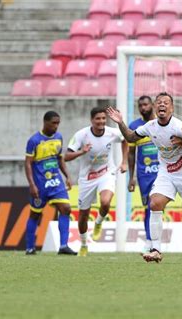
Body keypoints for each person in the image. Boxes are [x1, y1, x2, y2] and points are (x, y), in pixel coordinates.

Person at [106, 92, 182, 263]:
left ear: (172, 108)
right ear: (155, 107)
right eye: (159, 102)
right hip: (166, 172)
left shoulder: (180, 127)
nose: (162, 105)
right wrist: (121, 123)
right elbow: (131, 137)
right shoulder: (150, 126)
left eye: (166, 102)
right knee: (154, 203)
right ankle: (156, 249)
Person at [65, 106, 128, 257]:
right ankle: (84, 244)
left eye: (103, 119)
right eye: (98, 119)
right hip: (87, 178)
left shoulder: (112, 132)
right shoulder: (81, 135)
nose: (101, 122)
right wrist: (82, 151)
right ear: (91, 120)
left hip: (106, 173)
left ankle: (99, 222)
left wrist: (124, 161)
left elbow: (126, 139)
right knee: (83, 215)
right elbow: (66, 156)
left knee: (106, 202)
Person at [24, 111, 76, 255]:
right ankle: (30, 247)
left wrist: (67, 176)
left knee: (66, 208)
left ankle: (64, 245)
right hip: (40, 184)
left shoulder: (58, 138)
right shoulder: (34, 140)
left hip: (56, 182)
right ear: (45, 122)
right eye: (53, 123)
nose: (56, 126)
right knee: (35, 214)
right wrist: (32, 185)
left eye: (58, 123)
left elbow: (60, 159)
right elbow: (28, 163)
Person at [128, 96, 158, 253]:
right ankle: (150, 240)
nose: (143, 107)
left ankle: (155, 240)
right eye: (140, 105)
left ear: (152, 105)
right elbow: (131, 153)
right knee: (149, 207)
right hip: (144, 173)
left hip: (163, 172)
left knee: (156, 205)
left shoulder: (161, 122)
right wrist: (131, 177)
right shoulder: (134, 126)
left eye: (146, 104)